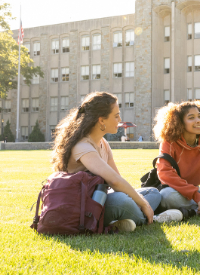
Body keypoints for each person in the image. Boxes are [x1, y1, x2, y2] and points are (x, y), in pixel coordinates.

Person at [50, 92, 183, 232]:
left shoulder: (103, 144)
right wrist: (142, 203)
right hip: (82, 208)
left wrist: (139, 200)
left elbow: (118, 179)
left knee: (153, 193)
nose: (120, 119)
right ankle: (154, 219)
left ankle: (120, 221)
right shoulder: (82, 147)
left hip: (101, 200)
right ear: (101, 120)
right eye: (116, 115)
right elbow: (114, 181)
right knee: (123, 201)